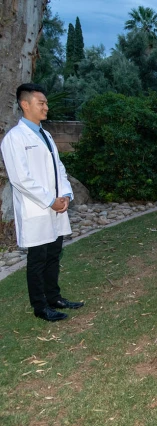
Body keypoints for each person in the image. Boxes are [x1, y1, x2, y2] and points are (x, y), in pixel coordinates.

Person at [1, 83, 83, 322]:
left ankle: (54, 297)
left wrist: (66, 195)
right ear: (25, 105)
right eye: (41, 103)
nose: (46, 107)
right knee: (37, 259)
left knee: (54, 254)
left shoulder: (44, 134)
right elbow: (20, 179)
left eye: (46, 103)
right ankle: (40, 306)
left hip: (56, 207)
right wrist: (49, 201)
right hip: (35, 208)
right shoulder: (14, 138)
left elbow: (59, 168)